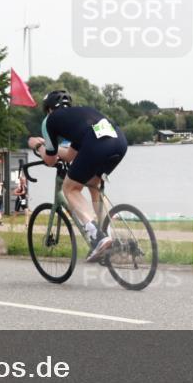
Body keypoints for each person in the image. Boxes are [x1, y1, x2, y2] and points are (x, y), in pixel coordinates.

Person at [27, 90, 128, 262]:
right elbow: (70, 155)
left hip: (96, 144)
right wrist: (50, 146)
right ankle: (110, 237)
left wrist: (37, 146)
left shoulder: (49, 120)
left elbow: (50, 160)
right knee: (93, 183)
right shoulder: (80, 115)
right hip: (119, 142)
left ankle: (98, 236)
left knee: (70, 188)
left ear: (49, 109)